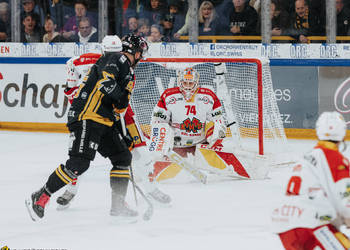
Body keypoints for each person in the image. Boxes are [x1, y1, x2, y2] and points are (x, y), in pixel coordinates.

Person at [25, 34, 149, 222]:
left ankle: (117, 205)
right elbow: (105, 82)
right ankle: (41, 195)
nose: (141, 57)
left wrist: (122, 132)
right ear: (135, 51)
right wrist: (119, 96)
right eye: (140, 52)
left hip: (104, 121)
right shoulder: (116, 58)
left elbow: (120, 107)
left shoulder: (130, 73)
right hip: (87, 116)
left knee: (123, 157)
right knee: (79, 164)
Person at [56, 37, 171, 210]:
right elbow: (72, 65)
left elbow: (123, 100)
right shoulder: (93, 60)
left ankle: (151, 188)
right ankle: (71, 190)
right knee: (80, 156)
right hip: (93, 113)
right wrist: (74, 90)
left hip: (122, 113)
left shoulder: (128, 69)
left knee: (140, 152)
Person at [271, 111, 350, 249]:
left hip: (284, 224)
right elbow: (343, 197)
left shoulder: (308, 156)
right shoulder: (336, 159)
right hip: (310, 223)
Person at [149, 67, 228, 179]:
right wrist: (163, 143)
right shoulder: (169, 96)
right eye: (185, 82)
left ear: (196, 83)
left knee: (225, 170)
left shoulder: (208, 96)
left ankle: (215, 155)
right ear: (179, 82)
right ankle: (156, 169)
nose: (187, 86)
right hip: (177, 145)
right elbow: (158, 120)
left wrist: (215, 137)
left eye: (190, 83)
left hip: (201, 144)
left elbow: (218, 119)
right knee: (157, 177)